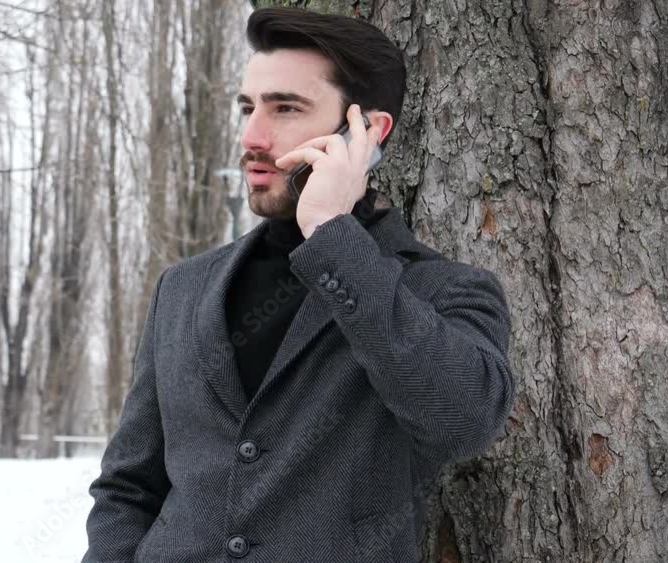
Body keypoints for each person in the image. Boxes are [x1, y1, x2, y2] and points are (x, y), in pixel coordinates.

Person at [82, 7, 516, 562]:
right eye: (247, 108)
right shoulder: (183, 289)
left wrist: (332, 235)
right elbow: (128, 487)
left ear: (367, 132)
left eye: (285, 108)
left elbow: (464, 423)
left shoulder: (441, 290)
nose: (252, 136)